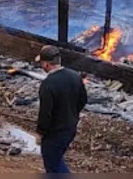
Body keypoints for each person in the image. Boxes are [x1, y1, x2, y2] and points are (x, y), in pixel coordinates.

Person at [35, 45, 87, 173]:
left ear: (46, 64)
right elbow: (83, 100)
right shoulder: (75, 76)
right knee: (56, 159)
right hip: (70, 129)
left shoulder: (48, 84)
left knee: (53, 165)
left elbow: (45, 113)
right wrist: (72, 115)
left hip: (54, 134)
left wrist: (40, 133)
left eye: (42, 63)